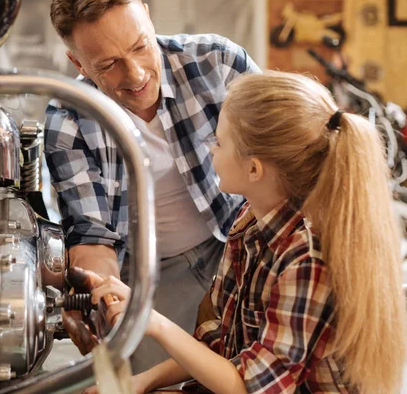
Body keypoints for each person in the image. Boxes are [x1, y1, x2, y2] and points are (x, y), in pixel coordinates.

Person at [86, 71, 407, 393]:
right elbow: (225, 345)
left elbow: (251, 387)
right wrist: (142, 382)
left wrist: (152, 320)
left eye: (220, 142)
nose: (211, 149)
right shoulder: (250, 220)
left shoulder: (307, 259)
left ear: (254, 168)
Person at [45, 0, 260, 373]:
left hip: (237, 248)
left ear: (146, 15)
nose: (137, 74)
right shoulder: (69, 119)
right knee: (153, 380)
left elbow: (285, 157)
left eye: (141, 46)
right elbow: (92, 236)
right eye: (109, 65)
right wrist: (102, 297)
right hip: (145, 276)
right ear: (78, 63)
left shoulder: (218, 63)